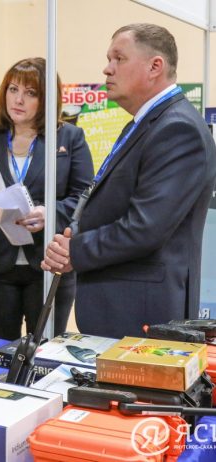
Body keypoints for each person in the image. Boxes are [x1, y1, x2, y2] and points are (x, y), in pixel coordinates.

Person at [42, 24, 216, 339]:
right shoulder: (145, 124)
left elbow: (145, 227)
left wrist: (76, 251)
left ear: (155, 67)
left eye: (119, 59)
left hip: (143, 315)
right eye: (109, 59)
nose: (107, 69)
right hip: (124, 306)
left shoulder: (177, 129)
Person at [0, 57, 94, 341]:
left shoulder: (69, 138)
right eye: (13, 89)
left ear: (47, 99)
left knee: (46, 347)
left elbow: (85, 198)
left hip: (48, 261)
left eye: (30, 93)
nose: (18, 99)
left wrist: (49, 212)